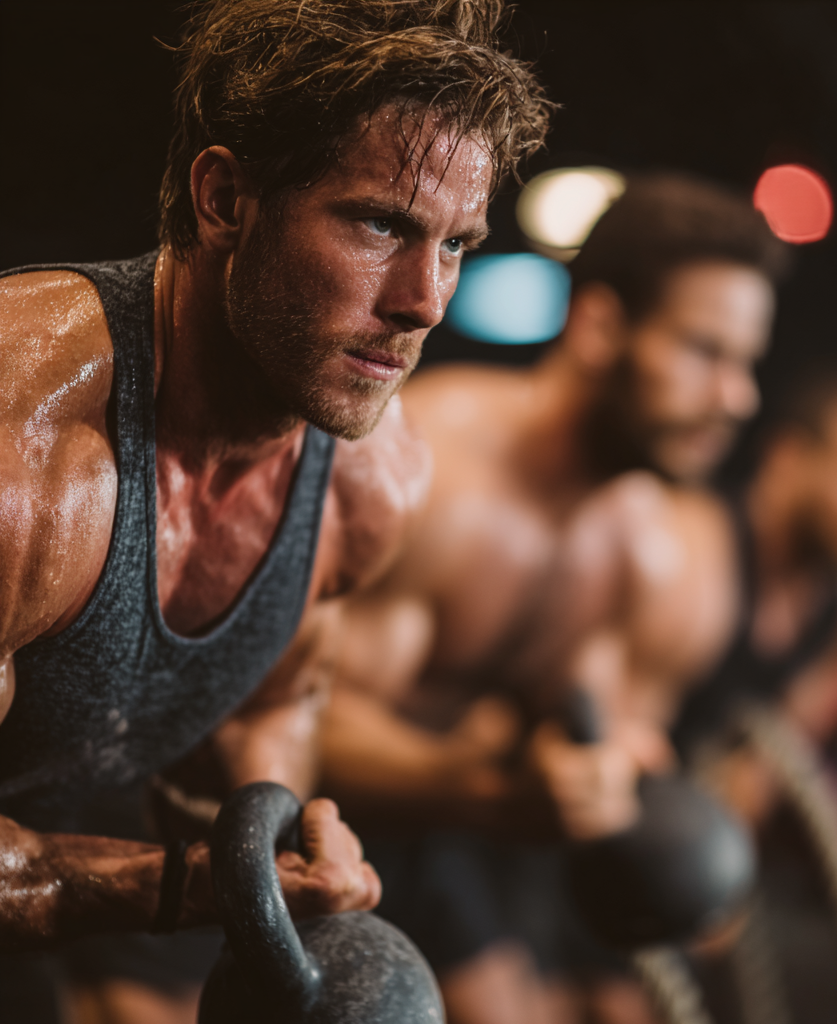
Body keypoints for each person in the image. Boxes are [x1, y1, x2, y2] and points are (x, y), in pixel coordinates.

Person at [0, 0, 549, 1020]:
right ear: (224, 200)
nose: (427, 299)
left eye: (457, 243)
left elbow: (268, 698)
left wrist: (279, 837)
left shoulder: (370, 484)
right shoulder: (23, 456)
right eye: (381, 223)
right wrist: (191, 886)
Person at [306, 173, 789, 1023]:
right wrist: (488, 791)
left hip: (443, 843)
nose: (736, 397)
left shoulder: (645, 543)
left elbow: (581, 730)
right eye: (705, 352)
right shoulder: (432, 472)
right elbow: (298, 721)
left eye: (746, 364)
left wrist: (603, 768)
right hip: (287, 824)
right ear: (603, 325)